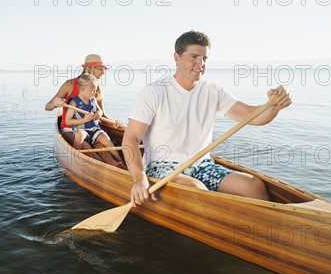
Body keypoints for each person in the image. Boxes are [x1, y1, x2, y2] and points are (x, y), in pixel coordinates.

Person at [122, 30, 292, 206]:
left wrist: (274, 105)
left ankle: (269, 228)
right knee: (197, 189)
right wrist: (139, 178)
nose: (200, 64)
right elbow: (130, 138)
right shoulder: (154, 92)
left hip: (202, 165)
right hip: (162, 167)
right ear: (176, 57)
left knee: (253, 186)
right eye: (194, 57)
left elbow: (253, 116)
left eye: (205, 59)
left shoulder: (213, 91)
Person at [45, 53, 122, 149]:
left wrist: (113, 123)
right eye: (100, 69)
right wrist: (55, 104)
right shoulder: (70, 84)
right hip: (72, 130)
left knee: (101, 145)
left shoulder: (97, 88)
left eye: (104, 70)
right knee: (86, 146)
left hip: (90, 129)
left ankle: (117, 163)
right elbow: (47, 107)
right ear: (90, 68)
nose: (103, 73)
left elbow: (102, 115)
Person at [65, 74, 123, 167]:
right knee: (81, 138)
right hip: (81, 130)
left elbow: (99, 109)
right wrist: (84, 119)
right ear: (83, 89)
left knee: (105, 138)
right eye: (93, 90)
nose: (95, 92)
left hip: (94, 129)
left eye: (95, 90)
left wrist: (99, 113)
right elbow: (68, 121)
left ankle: (120, 162)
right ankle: (76, 156)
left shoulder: (93, 100)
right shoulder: (74, 102)